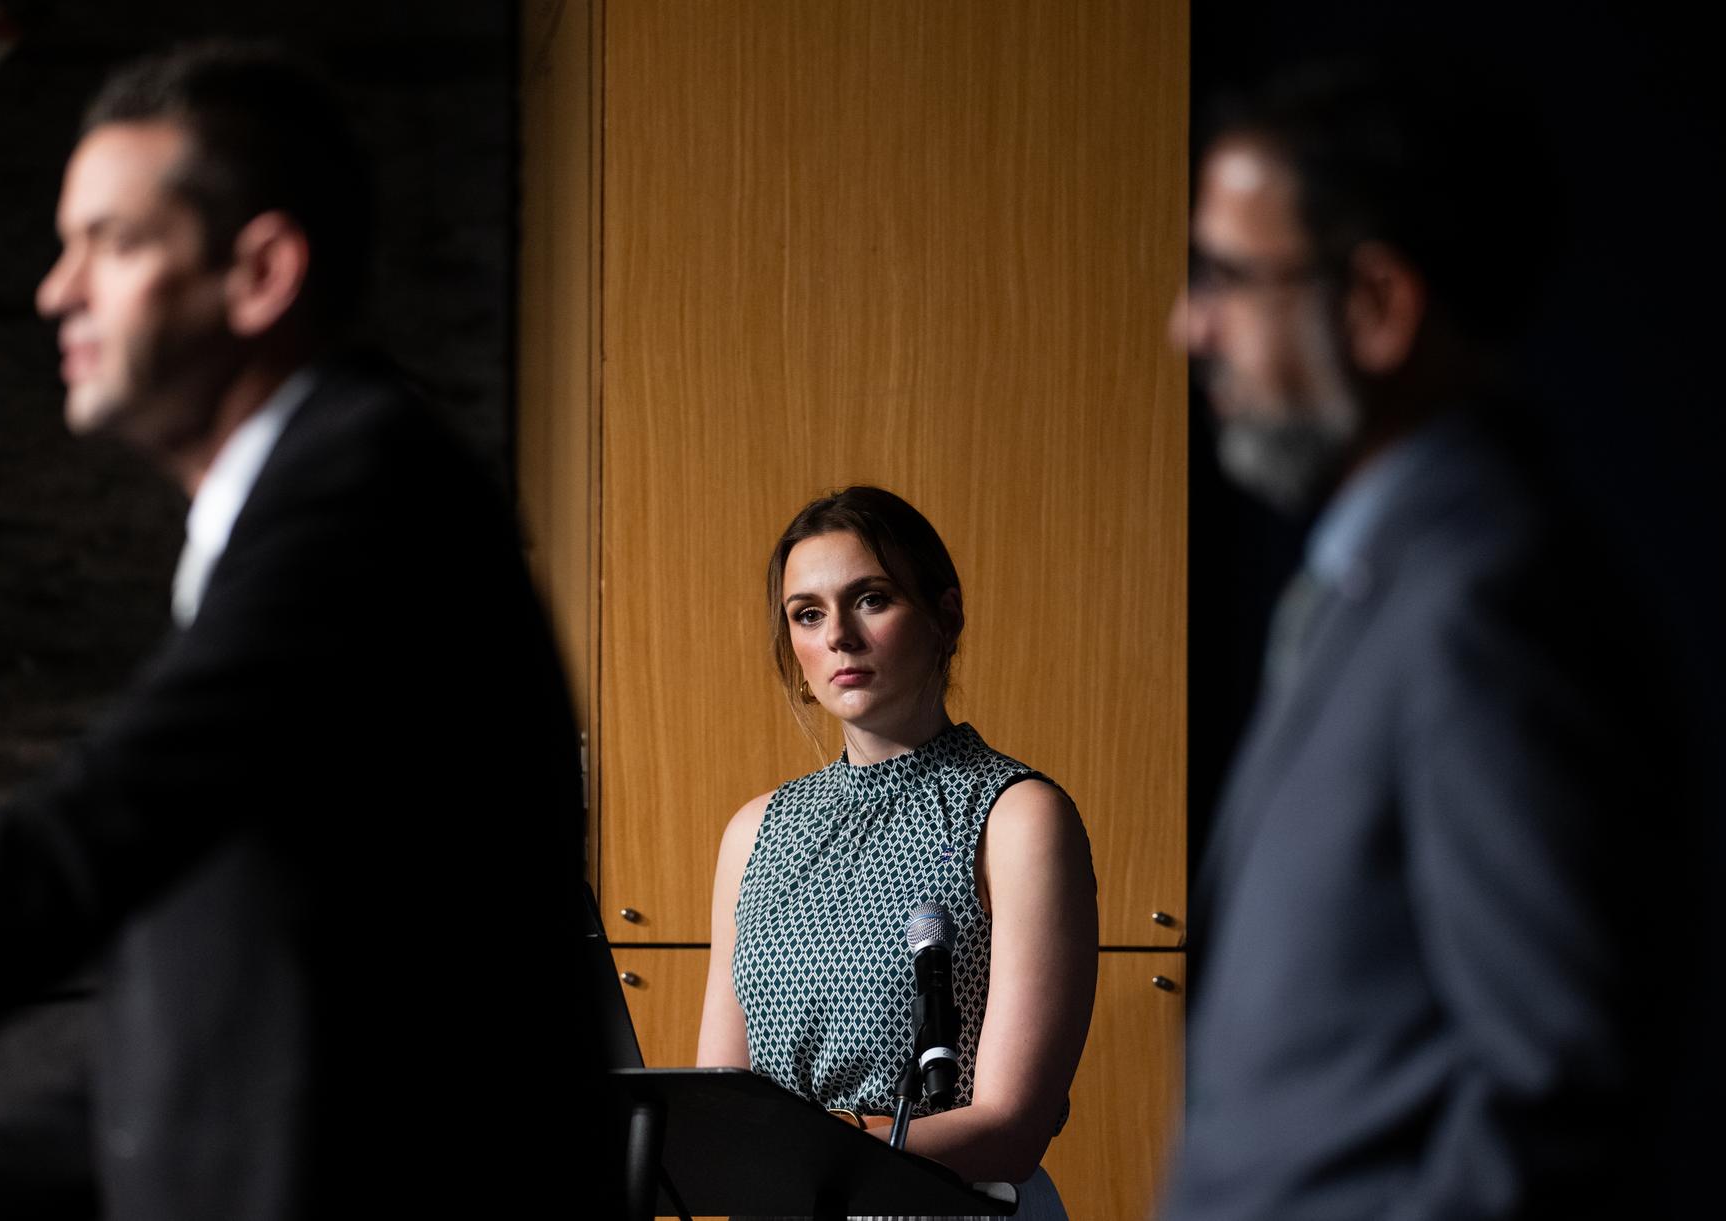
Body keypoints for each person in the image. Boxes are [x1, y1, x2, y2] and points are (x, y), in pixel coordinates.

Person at [0, 42, 587, 1219]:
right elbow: (237, 1001)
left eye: (112, 243)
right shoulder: (297, 505)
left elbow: (95, 824)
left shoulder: (369, 489)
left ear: (260, 274)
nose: (56, 290)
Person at [1162, 66, 1659, 1219]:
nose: (1190, 325)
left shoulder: (1484, 601)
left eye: (1228, 277)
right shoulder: (1378, 584)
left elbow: (1555, 1081)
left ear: (1377, 306)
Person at [696, 486, 1097, 1216]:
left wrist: (823, 1144)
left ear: (946, 615)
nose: (839, 635)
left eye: (871, 598)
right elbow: (725, 1099)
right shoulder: (754, 831)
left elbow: (1012, 1129)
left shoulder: (1018, 816)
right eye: (808, 614)